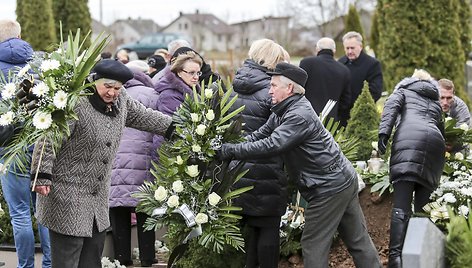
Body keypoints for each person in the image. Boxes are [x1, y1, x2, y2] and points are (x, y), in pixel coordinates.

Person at [219, 62, 381, 268]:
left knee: (313, 244)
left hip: (329, 187)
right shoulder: (281, 109)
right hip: (340, 179)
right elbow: (260, 135)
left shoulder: (298, 115)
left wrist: (229, 151)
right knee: (357, 241)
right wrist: (231, 146)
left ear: (289, 88)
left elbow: (272, 144)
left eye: (273, 85)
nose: (269, 90)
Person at [31, 59, 172, 268]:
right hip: (67, 193)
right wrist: (41, 174)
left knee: (92, 260)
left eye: (117, 88)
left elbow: (143, 116)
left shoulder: (121, 99)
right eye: (108, 87)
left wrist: (175, 126)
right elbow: (48, 138)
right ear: (94, 80)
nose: (112, 93)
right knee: (67, 261)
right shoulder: (75, 101)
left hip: (96, 199)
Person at [230, 38, 289, 268]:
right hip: (266, 166)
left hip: (239, 167)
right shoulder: (271, 90)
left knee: (254, 227)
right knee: (268, 228)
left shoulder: (236, 84)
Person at [377, 69, 445, 268]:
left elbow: (390, 107)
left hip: (409, 141)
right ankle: (422, 258)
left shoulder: (403, 90)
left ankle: (395, 259)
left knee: (401, 204)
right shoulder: (435, 102)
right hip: (434, 146)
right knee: (422, 208)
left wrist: (384, 134)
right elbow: (440, 129)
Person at [0, 19, 51, 268]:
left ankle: (26, 266)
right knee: (46, 214)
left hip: (10, 149)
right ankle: (51, 264)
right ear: (20, 37)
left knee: (19, 213)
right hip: (42, 146)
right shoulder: (41, 65)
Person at [108, 65, 160, 267]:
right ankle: (147, 257)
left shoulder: (114, 95)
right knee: (145, 209)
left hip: (116, 160)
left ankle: (123, 258)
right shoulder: (151, 94)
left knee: (119, 208)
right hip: (143, 160)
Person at [300, 37, 351, 126]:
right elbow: (346, 100)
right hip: (331, 121)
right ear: (334, 51)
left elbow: (298, 89)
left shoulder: (306, 63)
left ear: (317, 49)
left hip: (306, 117)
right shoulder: (344, 70)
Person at [338, 31, 383, 113]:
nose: (349, 51)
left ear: (360, 46)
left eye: (352, 48)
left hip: (363, 112)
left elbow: (375, 91)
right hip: (342, 114)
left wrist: (359, 107)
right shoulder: (340, 63)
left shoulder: (372, 64)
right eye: (347, 48)